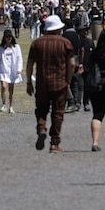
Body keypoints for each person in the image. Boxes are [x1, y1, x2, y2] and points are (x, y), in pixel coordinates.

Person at [26, 15, 75, 153]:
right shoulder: (65, 43)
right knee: (58, 112)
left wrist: (29, 81)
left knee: (41, 108)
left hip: (42, 82)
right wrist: (68, 80)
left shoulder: (36, 43)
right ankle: (54, 142)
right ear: (58, 29)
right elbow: (71, 64)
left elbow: (30, 64)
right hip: (60, 82)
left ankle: (41, 127)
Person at [0, 30, 23, 114]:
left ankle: (11, 106)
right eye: (7, 37)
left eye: (9, 37)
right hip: (4, 69)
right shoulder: (1, 48)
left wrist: (19, 69)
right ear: (4, 38)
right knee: (3, 86)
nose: (8, 38)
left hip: (13, 70)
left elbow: (19, 59)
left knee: (11, 90)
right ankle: (3, 104)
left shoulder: (16, 47)